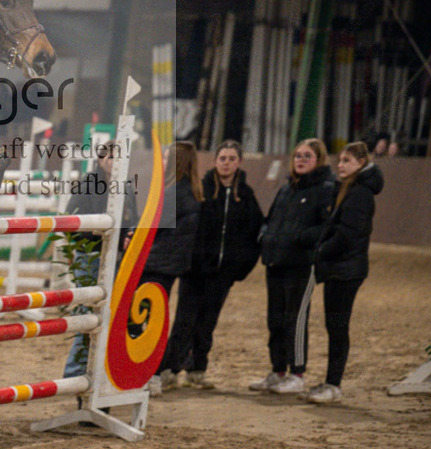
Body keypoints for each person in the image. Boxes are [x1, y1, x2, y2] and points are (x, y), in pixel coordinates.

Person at [155, 140, 264, 390]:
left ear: (239, 162)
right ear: (215, 161)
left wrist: (240, 267)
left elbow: (255, 231)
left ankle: (197, 369)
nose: (226, 163)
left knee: (208, 321)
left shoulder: (246, 196)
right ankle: (171, 369)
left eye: (231, 159)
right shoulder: (200, 189)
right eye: (222, 158)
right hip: (195, 271)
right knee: (184, 319)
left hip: (222, 273)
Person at [297, 141, 383, 403]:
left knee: (337, 326)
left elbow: (347, 234)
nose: (341, 165)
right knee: (334, 325)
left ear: (361, 163)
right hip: (340, 268)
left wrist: (322, 251)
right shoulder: (349, 188)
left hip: (346, 270)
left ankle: (334, 384)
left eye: (347, 161)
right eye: (340, 161)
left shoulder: (360, 193)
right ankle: (330, 382)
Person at [250, 138, 334, 394]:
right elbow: (270, 218)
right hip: (276, 261)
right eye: (298, 155)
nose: (300, 159)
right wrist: (265, 236)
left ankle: (297, 373)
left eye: (307, 156)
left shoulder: (325, 189)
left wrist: (301, 239)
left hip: (301, 264)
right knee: (274, 319)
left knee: (295, 319)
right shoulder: (287, 189)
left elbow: (327, 226)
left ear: (318, 159)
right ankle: (278, 371)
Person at [61, 139, 139, 381]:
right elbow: (71, 220)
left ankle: (105, 372)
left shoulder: (126, 186)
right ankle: (74, 373)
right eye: (109, 157)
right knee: (86, 313)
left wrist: (129, 233)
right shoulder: (87, 184)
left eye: (117, 158)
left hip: (117, 257)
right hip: (90, 255)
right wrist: (99, 232)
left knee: (114, 316)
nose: (113, 162)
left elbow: (133, 218)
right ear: (100, 160)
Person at [143, 141, 203, 396]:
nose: (163, 162)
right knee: (157, 317)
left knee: (146, 320)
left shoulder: (172, 192)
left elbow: (151, 228)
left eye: (167, 158)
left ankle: (151, 373)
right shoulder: (191, 190)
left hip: (157, 263)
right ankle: (156, 373)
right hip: (171, 264)